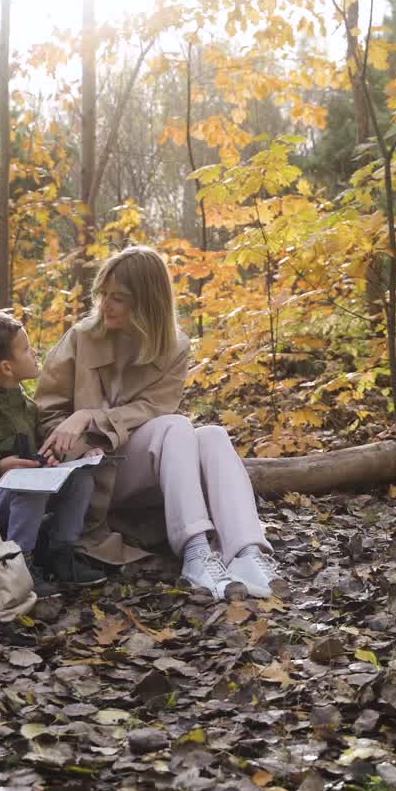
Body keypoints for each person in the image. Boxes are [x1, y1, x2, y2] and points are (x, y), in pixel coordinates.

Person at [35, 246, 278, 599]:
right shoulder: (81, 337)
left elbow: (155, 408)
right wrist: (82, 428)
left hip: (141, 469)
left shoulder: (174, 347)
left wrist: (92, 414)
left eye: (118, 298)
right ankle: (195, 553)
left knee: (211, 434)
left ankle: (246, 553)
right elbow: (46, 413)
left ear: (147, 301)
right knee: (177, 425)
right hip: (91, 469)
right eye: (103, 294)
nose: (106, 305)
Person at [0, 311, 106, 595]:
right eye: (26, 349)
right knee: (29, 487)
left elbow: (43, 451)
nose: (34, 351)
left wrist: (75, 456)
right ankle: (18, 567)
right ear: (6, 367)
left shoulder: (26, 405)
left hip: (23, 495)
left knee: (81, 479)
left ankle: (60, 554)